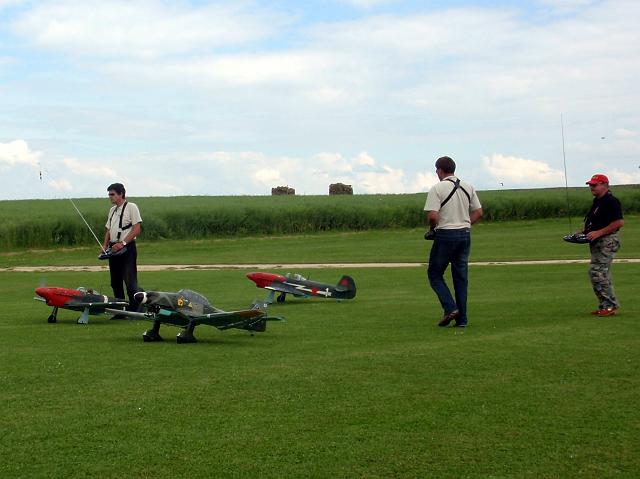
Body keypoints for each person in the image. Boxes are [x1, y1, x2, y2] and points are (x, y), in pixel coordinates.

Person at [424, 156, 483, 328]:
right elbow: (478, 212)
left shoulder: (437, 188)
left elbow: (433, 215)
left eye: (437, 170)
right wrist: (465, 223)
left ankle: (450, 308)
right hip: (464, 234)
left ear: (440, 170)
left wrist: (432, 230)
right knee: (460, 278)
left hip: (445, 235)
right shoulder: (468, 187)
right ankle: (462, 320)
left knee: (434, 274)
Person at [582, 174, 624, 316]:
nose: (591, 187)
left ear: (604, 185)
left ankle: (610, 305)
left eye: (594, 185)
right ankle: (605, 305)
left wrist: (598, 233)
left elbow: (619, 223)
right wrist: (584, 232)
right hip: (598, 241)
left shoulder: (611, 201)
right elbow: (597, 221)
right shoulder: (597, 202)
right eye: (590, 185)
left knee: (597, 272)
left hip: (607, 241)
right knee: (598, 273)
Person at [101, 183, 143, 317]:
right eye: (109, 194)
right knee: (115, 282)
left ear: (121, 194)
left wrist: (123, 243)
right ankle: (120, 311)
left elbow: (137, 228)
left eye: (112, 194)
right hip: (113, 249)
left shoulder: (132, 207)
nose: (110, 197)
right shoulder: (112, 210)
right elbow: (108, 229)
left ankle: (135, 310)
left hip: (127, 248)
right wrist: (105, 245)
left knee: (130, 281)